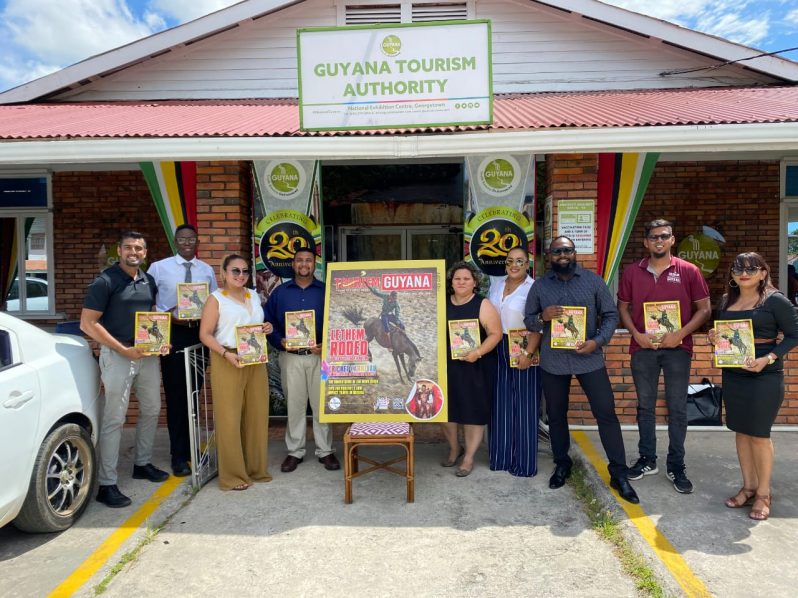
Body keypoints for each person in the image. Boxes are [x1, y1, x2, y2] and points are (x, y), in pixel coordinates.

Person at [524, 236, 639, 504]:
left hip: (589, 358)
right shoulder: (540, 287)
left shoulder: (593, 281)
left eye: (567, 250)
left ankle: (619, 473)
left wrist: (597, 341)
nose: (562, 255)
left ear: (575, 253)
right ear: (549, 256)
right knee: (556, 415)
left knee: (606, 413)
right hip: (554, 361)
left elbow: (611, 315)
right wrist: (543, 317)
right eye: (557, 251)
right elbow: (529, 319)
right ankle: (562, 463)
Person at [617, 219, 711, 494]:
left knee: (677, 407)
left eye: (665, 236)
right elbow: (623, 307)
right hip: (642, 348)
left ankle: (676, 464)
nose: (659, 241)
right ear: (646, 242)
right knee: (645, 406)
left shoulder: (689, 271)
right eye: (654, 237)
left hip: (677, 349)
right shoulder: (632, 272)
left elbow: (704, 310)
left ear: (672, 240)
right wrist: (635, 333)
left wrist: (680, 333)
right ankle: (648, 459)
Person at [80, 231, 169, 508]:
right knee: (114, 419)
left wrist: (160, 342)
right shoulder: (105, 281)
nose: (134, 252)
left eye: (139, 248)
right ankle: (107, 483)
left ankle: (142, 463)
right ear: (119, 251)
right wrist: (122, 349)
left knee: (152, 408)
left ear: (145, 253)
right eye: (129, 247)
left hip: (147, 355)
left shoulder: (148, 280)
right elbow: (88, 324)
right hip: (118, 356)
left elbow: (152, 315)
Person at [710, 253, 798, 520]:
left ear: (763, 273)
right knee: (741, 431)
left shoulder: (775, 300)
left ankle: (763, 493)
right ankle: (748, 487)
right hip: (734, 375)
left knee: (759, 434)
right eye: (738, 268)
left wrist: (768, 358)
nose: (744, 272)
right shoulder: (727, 300)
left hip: (765, 376)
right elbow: (725, 334)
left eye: (751, 268)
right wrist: (715, 337)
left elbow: (794, 334)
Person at [147, 224, 218, 477]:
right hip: (173, 335)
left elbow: (213, 303)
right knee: (177, 397)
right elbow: (148, 302)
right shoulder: (158, 268)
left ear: (197, 241)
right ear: (175, 241)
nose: (187, 242)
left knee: (193, 395)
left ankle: (192, 450)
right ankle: (178, 456)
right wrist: (167, 316)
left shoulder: (206, 270)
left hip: (198, 334)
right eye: (182, 239)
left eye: (191, 238)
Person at [199, 254, 272, 491]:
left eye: (244, 271)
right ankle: (232, 475)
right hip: (228, 358)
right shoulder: (216, 299)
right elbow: (205, 334)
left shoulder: (253, 295)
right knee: (229, 417)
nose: (241, 275)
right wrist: (225, 354)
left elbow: (255, 324)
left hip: (255, 359)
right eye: (235, 271)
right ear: (223, 273)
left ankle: (255, 469)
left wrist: (266, 327)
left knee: (257, 414)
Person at [264, 247, 340, 473]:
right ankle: (295, 451)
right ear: (293, 264)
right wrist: (280, 341)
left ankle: (325, 451)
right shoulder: (280, 293)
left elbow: (336, 322)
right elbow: (268, 323)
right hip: (291, 358)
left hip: (320, 357)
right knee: (295, 405)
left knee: (321, 406)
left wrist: (325, 344)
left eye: (308, 260)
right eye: (299, 260)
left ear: (315, 264)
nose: (304, 264)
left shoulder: (326, 291)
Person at [442, 261, 502, 477]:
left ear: (474, 282)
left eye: (466, 278)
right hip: (447, 366)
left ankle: (468, 457)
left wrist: (477, 352)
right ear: (451, 282)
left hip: (474, 366)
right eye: (457, 278)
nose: (461, 282)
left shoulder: (482, 304)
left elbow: (496, 333)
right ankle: (454, 448)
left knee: (471, 413)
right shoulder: (442, 303)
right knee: (445, 412)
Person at [487, 246, 542, 477]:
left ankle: (525, 463)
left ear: (527, 264)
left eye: (520, 261)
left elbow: (538, 322)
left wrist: (529, 353)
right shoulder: (497, 285)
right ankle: (500, 458)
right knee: (500, 404)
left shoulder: (534, 288)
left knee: (525, 406)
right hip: (497, 346)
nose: (514, 265)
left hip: (524, 345)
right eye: (510, 261)